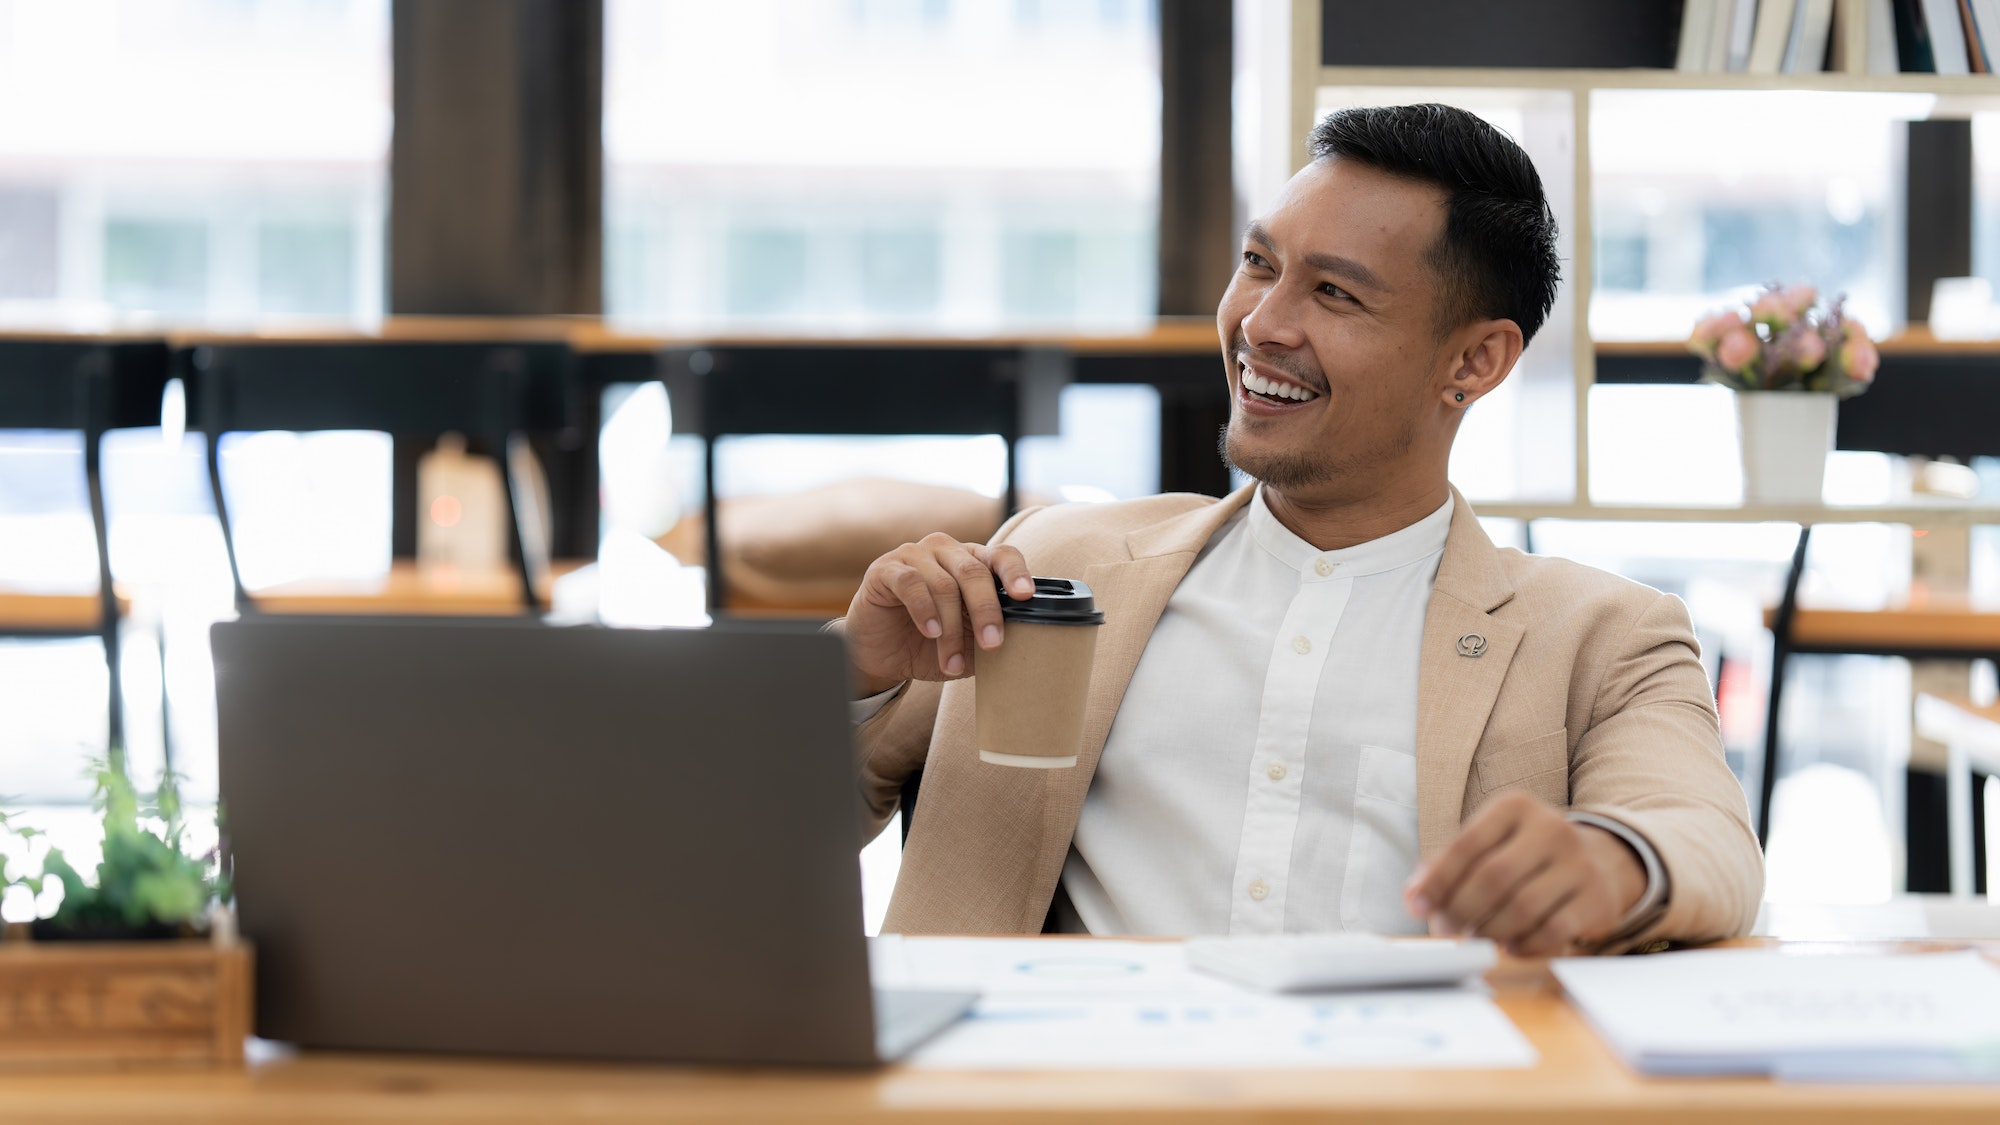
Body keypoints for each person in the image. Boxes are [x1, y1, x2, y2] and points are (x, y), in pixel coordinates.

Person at [839, 103, 1762, 954]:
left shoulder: (1602, 637)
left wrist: (1605, 860)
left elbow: (1705, 840)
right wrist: (853, 672)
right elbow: (753, 829)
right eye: (1260, 265)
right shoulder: (1047, 568)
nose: (1262, 324)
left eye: (1336, 295)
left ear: (1475, 361)